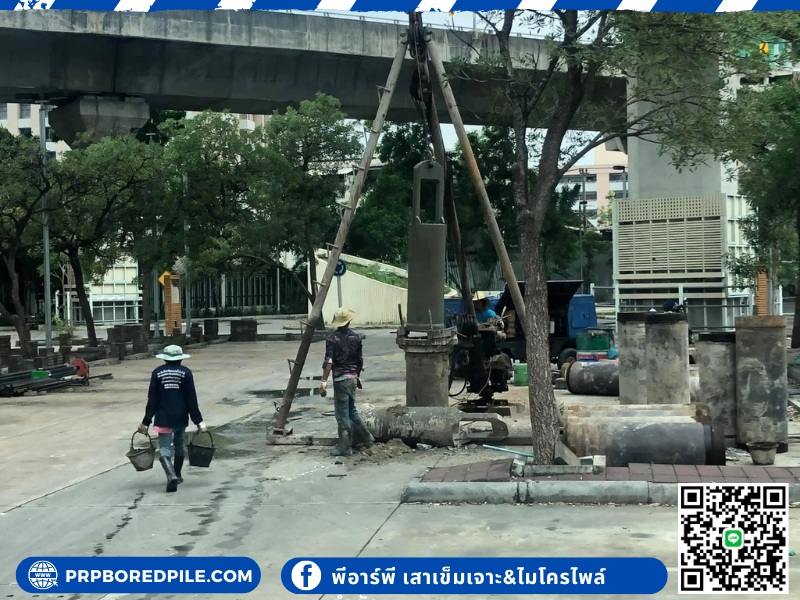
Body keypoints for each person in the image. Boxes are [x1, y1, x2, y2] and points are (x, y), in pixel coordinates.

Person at [137, 344, 207, 493]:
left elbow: (153, 399)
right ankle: (177, 474)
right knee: (179, 443)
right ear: (181, 359)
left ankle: (170, 475)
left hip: (163, 415)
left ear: (165, 359)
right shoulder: (186, 373)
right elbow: (191, 398)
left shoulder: (157, 373)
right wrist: (198, 421)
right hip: (180, 415)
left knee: (164, 446)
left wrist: (146, 421)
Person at [319, 308, 374, 457]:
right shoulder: (356, 338)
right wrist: (357, 376)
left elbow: (329, 362)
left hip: (341, 380)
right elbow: (359, 360)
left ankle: (345, 447)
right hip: (352, 378)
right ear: (349, 321)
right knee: (352, 411)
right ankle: (368, 437)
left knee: (342, 415)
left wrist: (323, 383)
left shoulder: (332, 339)